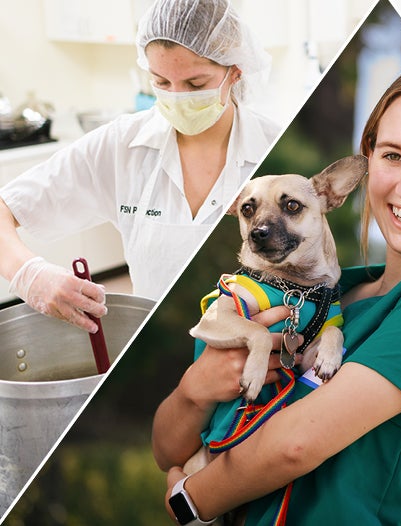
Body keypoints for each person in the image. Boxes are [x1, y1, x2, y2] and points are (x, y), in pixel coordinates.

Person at [152, 60, 401, 525]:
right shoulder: (320, 295)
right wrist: (196, 389)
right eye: (393, 156)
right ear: (368, 161)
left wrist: (192, 501)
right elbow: (167, 449)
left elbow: (296, 443)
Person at [0, 0, 279, 333]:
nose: (177, 97)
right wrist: (28, 273)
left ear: (235, 71)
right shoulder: (121, 145)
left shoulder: (272, 149)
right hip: (153, 353)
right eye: (161, 82)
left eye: (195, 84)